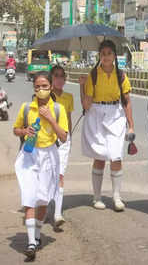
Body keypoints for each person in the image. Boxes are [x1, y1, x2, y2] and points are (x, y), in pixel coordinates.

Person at [13, 71, 68, 261]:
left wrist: (51, 119)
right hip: (29, 155)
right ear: (34, 89)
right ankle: (30, 243)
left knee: (43, 199)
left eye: (45, 86)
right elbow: (16, 129)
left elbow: (63, 136)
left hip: (49, 156)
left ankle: (36, 236)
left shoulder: (58, 109)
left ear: (51, 87)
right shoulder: (26, 107)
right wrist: (24, 130)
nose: (41, 90)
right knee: (29, 196)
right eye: (37, 87)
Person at [79, 40, 134, 212]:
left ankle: (117, 197)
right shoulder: (93, 75)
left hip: (116, 115)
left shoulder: (122, 75)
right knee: (100, 156)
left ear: (114, 56)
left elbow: (127, 102)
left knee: (116, 156)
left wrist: (131, 125)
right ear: (99, 56)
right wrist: (82, 86)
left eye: (110, 53)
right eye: (103, 53)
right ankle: (97, 197)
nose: (106, 56)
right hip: (96, 115)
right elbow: (86, 105)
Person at [50, 65, 74, 226]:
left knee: (60, 175)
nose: (59, 79)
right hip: (47, 141)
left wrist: (69, 138)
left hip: (64, 139)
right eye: (56, 76)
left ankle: (58, 213)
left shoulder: (69, 97)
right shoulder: (44, 96)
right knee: (47, 174)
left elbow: (69, 118)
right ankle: (45, 204)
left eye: (61, 76)